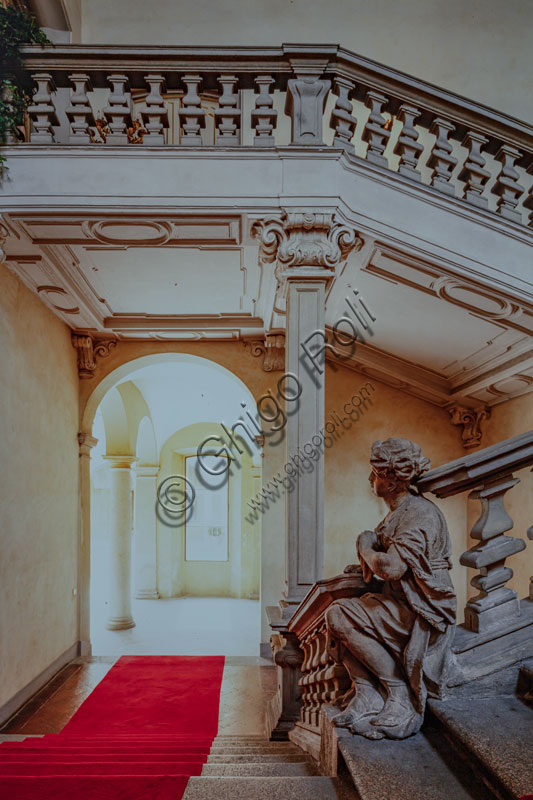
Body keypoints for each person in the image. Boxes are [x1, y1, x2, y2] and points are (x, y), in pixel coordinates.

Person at [325, 437, 456, 739]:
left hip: (424, 611)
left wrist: (365, 547)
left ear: (393, 480)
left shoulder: (419, 514)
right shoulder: (400, 511)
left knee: (338, 615)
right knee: (344, 611)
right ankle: (368, 692)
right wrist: (366, 564)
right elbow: (402, 564)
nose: (371, 479)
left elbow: (394, 567)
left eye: (376, 473)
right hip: (404, 601)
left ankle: (398, 693)